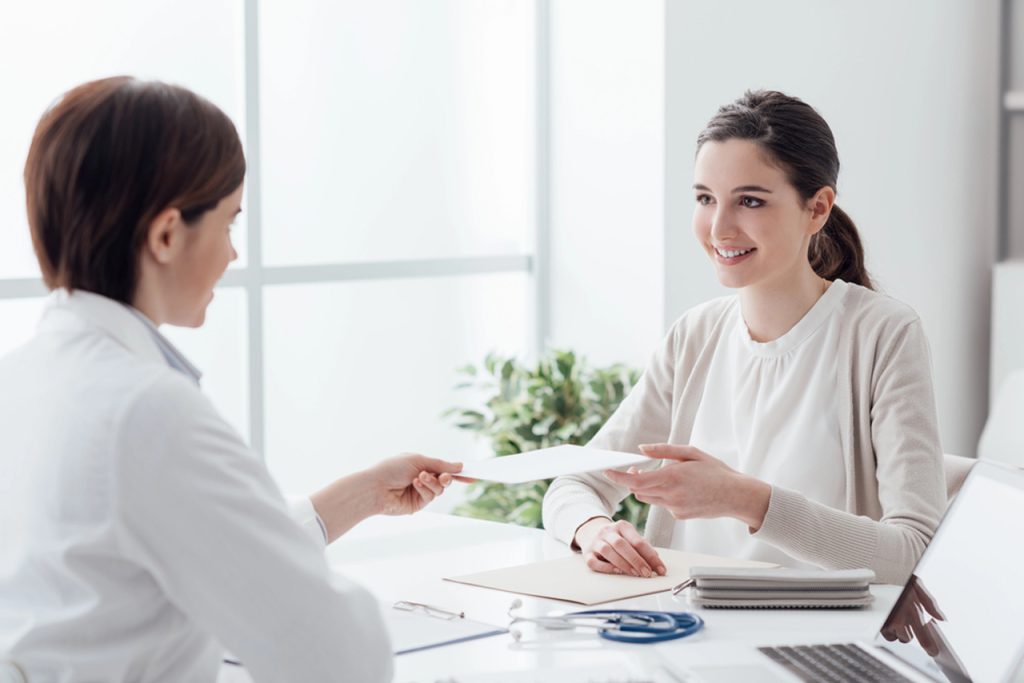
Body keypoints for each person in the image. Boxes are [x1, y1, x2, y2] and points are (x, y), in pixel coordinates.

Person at [0, 77, 462, 682]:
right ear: (167, 234)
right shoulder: (148, 410)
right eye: (229, 224)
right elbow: (336, 654)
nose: (233, 256)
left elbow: (156, 536)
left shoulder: (28, 377)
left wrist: (360, 497)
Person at [542, 90, 947, 586]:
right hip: (680, 628)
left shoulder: (882, 334)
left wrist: (743, 498)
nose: (718, 227)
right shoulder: (695, 335)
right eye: (705, 199)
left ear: (817, 208)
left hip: (818, 645)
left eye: (749, 201)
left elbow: (913, 552)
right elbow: (575, 482)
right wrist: (595, 529)